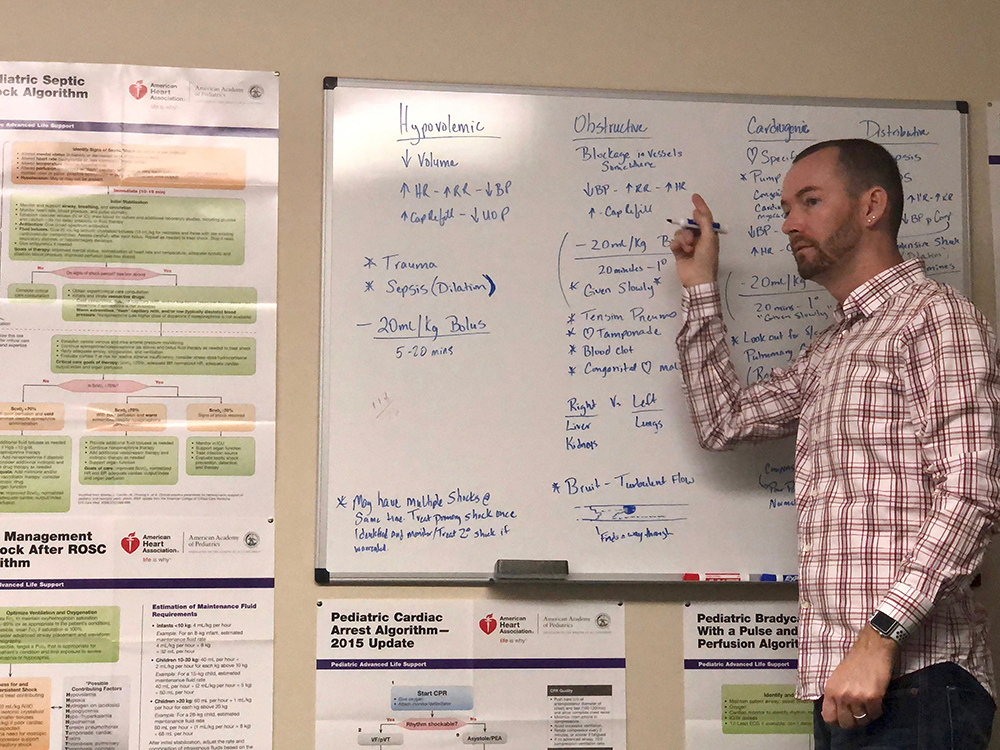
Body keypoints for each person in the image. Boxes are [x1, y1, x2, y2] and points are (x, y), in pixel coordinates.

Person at [670, 138, 1000, 748]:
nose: (790, 222)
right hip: (844, 686)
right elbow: (724, 421)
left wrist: (879, 638)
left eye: (810, 201)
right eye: (786, 206)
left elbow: (973, 496)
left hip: (917, 683)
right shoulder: (831, 351)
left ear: (871, 205)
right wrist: (699, 287)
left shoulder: (937, 319)